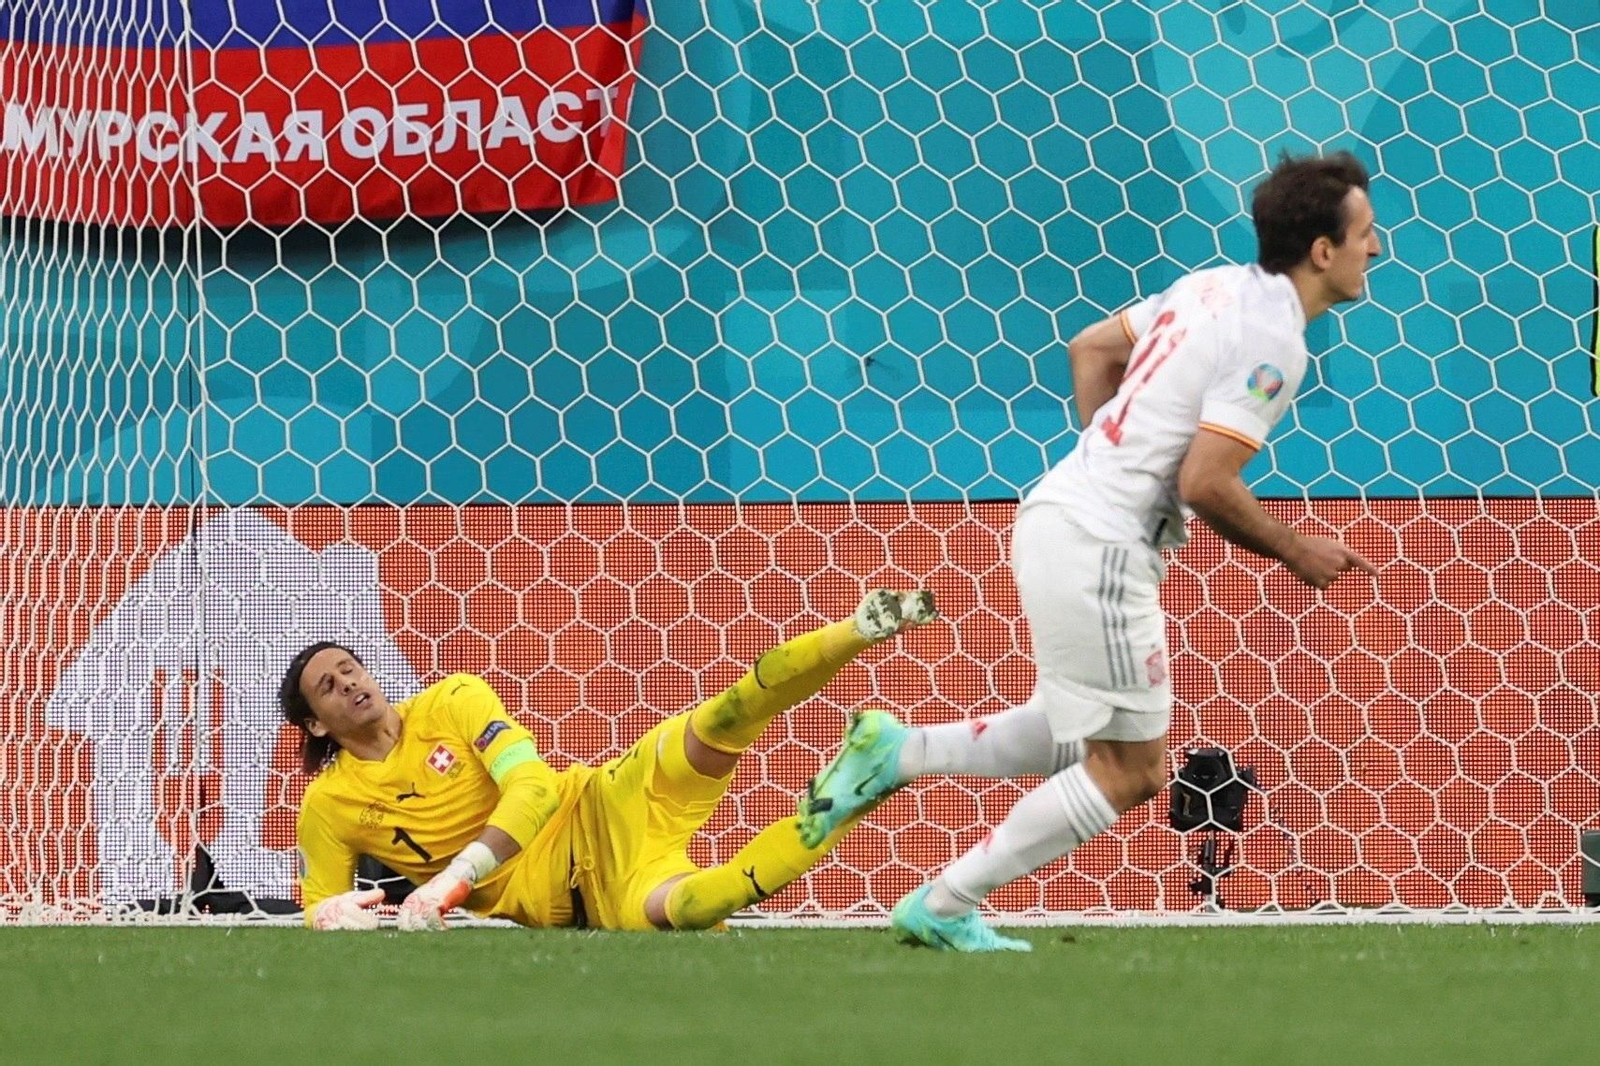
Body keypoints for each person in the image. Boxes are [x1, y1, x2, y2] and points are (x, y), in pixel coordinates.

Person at [797, 151, 1383, 951]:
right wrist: (1295, 550)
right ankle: (942, 904)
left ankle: (896, 750)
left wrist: (1107, 468)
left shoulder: (1209, 285)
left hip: (1060, 514)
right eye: (1365, 233)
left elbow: (1089, 348)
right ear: (1323, 249)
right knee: (1135, 770)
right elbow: (1207, 481)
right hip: (1099, 543)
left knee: (1078, 734)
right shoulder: (1276, 340)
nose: (1374, 248)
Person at [284, 588, 934, 932]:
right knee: (699, 907)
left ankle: (859, 628)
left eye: (351, 668)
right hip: (588, 894)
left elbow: (533, 788)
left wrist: (450, 884)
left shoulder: (453, 699)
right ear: (315, 723)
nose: (349, 682)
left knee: (721, 718)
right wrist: (334, 915)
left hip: (604, 799)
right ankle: (863, 783)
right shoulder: (331, 805)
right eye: (329, 686)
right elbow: (321, 904)